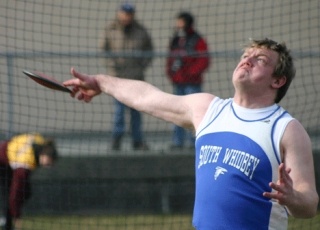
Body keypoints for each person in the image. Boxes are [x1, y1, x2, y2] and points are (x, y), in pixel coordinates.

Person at [64, 38, 319, 229]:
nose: (247, 59)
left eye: (260, 59)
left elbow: (309, 206)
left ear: (277, 81)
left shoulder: (286, 129)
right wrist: (101, 82)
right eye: (246, 54)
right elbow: (145, 96)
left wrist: (293, 197)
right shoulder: (208, 108)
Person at [99, 2, 153, 150]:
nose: (126, 17)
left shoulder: (141, 31)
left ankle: (137, 141)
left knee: (137, 111)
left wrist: (142, 65)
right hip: (117, 79)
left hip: (136, 78)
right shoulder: (110, 29)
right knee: (119, 112)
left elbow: (149, 49)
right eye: (124, 13)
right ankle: (116, 141)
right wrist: (111, 65)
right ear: (119, 13)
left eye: (129, 14)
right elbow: (104, 50)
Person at [166, 11, 210, 149]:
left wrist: (191, 73)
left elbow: (204, 60)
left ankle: (194, 142)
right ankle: (178, 142)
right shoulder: (175, 39)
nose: (178, 25)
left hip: (192, 83)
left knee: (194, 112)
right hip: (178, 82)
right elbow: (170, 59)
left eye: (180, 22)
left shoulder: (197, 40)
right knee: (177, 112)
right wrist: (171, 73)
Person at [0, 133, 58, 230]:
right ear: (43, 155)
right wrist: (17, 216)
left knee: (26, 193)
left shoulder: (40, 141)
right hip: (2, 163)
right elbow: (16, 192)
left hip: (8, 161)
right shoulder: (24, 164)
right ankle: (6, 222)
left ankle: (6, 219)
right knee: (9, 197)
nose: (48, 166)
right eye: (48, 162)